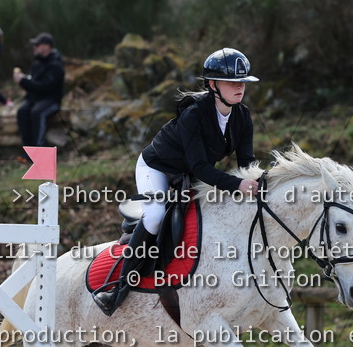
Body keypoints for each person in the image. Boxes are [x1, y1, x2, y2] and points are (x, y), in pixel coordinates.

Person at [92, 48, 261, 316]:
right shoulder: (194, 114)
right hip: (157, 168)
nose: (239, 87)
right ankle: (118, 289)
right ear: (213, 85)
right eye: (232, 82)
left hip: (188, 174)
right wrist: (236, 185)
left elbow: (246, 164)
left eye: (242, 82)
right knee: (155, 215)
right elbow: (200, 167)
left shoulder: (242, 115)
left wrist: (259, 182)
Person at [14, 33, 65, 157]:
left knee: (37, 112)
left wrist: (24, 81)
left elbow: (45, 87)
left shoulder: (55, 65)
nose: (34, 48)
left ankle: (38, 152)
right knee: (22, 111)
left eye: (37, 45)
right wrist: (24, 80)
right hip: (34, 99)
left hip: (50, 100)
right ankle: (27, 152)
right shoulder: (37, 63)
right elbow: (33, 82)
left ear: (46, 47)